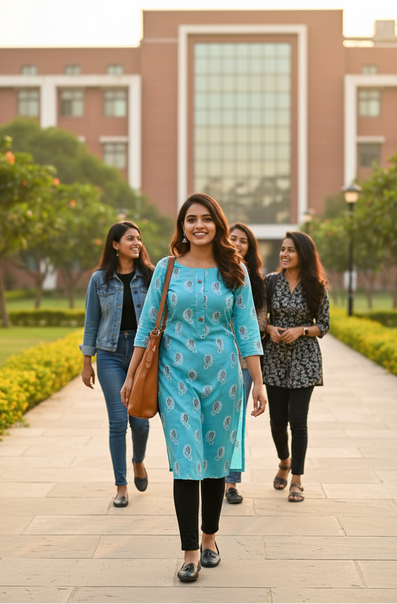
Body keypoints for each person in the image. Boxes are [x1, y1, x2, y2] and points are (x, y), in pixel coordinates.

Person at [121, 193, 267, 582]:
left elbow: (247, 329)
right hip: (174, 378)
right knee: (187, 465)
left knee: (216, 462)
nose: (198, 225)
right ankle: (188, 552)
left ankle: (209, 539)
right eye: (190, 220)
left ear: (217, 224)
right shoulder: (167, 269)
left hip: (223, 380)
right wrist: (132, 375)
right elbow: (147, 326)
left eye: (205, 219)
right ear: (182, 226)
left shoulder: (233, 269)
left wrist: (259, 382)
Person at [80, 221, 154, 508]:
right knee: (117, 421)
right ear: (115, 244)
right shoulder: (99, 280)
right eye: (130, 239)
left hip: (141, 356)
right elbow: (91, 322)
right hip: (109, 354)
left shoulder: (149, 277)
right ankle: (121, 486)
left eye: (138, 238)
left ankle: (138, 460)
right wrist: (87, 362)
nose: (136, 243)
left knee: (141, 421)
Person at [262, 231, 330, 502]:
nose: (284, 254)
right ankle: (284, 461)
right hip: (275, 358)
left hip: (305, 360)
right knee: (277, 421)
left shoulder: (316, 286)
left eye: (290, 250)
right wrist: (268, 327)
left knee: (298, 421)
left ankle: (297, 480)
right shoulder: (270, 282)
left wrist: (301, 330)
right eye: (282, 249)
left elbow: (323, 324)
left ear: (303, 254)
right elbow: (259, 315)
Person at [225, 223, 267, 504]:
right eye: (233, 239)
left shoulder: (257, 282)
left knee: (235, 422)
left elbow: (260, 321)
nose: (237, 244)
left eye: (243, 241)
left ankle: (230, 483)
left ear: (250, 248)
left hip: (241, 361)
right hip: (212, 359)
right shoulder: (214, 272)